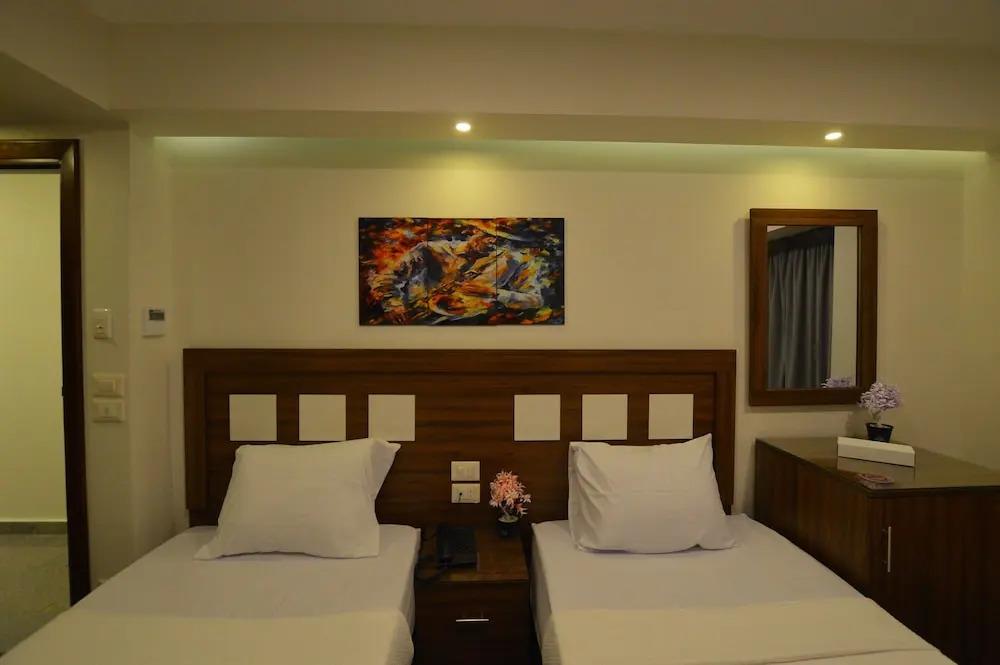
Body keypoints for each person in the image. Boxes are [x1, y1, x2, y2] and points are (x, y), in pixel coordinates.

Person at [369, 220, 545, 324]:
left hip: (470, 326)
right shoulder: (430, 250)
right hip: (416, 319)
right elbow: (387, 278)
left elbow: (535, 300)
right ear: (474, 231)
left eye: (504, 241)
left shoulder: (514, 262)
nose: (494, 243)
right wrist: (393, 305)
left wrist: (495, 293)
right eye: (489, 236)